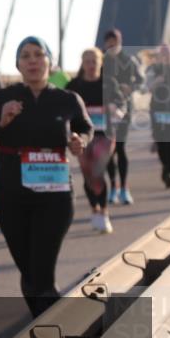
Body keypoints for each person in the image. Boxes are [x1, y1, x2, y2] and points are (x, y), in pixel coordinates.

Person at [0, 37, 91, 317]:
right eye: (25, 56)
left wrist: (79, 140)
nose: (33, 60)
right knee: (30, 272)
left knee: (42, 273)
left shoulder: (68, 99)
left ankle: (52, 328)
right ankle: (46, 324)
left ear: (50, 61)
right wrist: (0, 123)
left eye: (38, 54)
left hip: (56, 197)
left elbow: (86, 128)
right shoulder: (1, 98)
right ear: (18, 65)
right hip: (13, 196)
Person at [66, 48, 119, 233]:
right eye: (87, 61)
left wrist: (116, 109)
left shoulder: (109, 83)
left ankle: (104, 211)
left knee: (97, 169)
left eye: (94, 61)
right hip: (82, 135)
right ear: (82, 63)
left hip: (105, 134)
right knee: (88, 173)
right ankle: (94, 209)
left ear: (101, 62)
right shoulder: (74, 85)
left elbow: (121, 103)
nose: (91, 65)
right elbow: (64, 107)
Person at [102, 28, 144, 204]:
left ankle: (124, 188)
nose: (112, 46)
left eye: (115, 43)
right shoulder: (102, 60)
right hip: (105, 110)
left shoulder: (129, 60)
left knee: (120, 147)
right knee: (108, 150)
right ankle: (113, 187)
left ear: (120, 43)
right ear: (105, 44)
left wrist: (130, 87)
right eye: (109, 44)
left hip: (124, 109)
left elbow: (141, 81)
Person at [147, 43, 170, 188]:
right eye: (163, 53)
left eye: (168, 53)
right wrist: (158, 81)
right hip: (158, 110)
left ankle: (168, 169)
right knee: (162, 143)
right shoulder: (154, 69)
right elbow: (147, 87)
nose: (165, 56)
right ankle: (166, 168)